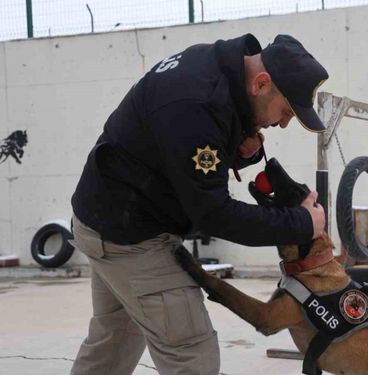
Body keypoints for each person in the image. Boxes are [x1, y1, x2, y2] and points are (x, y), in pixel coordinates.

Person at [69, 34, 328, 375]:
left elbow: (178, 155)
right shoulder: (196, 103)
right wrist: (302, 223)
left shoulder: (215, 67)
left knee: (113, 344)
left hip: (102, 219)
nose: (282, 123)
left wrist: (234, 148)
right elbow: (214, 214)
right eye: (286, 111)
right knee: (192, 355)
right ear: (262, 83)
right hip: (130, 236)